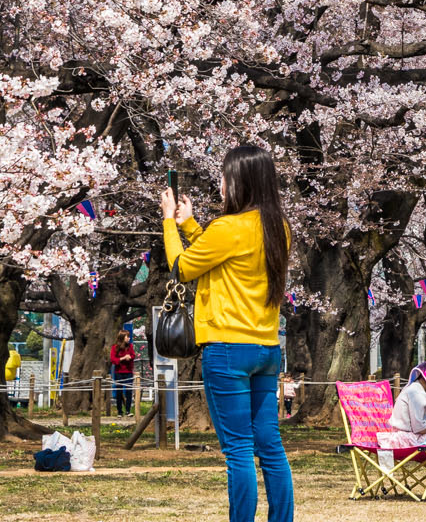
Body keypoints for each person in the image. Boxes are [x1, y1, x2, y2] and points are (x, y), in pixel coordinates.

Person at [163, 145, 294, 522]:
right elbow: (224, 256)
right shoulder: (278, 228)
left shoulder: (228, 227)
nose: (220, 184)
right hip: (267, 348)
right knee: (270, 447)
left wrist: (170, 222)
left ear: (239, 181)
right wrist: (191, 226)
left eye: (224, 177)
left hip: (227, 349)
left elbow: (182, 267)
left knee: (237, 450)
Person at [108, 328, 137, 416]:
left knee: (129, 391)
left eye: (129, 336)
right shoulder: (115, 347)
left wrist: (130, 357)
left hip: (128, 372)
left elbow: (133, 355)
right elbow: (113, 359)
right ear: (122, 337)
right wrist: (123, 358)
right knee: (119, 392)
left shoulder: (130, 346)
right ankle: (119, 411)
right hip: (119, 372)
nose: (129, 338)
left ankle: (128, 410)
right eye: (127, 337)